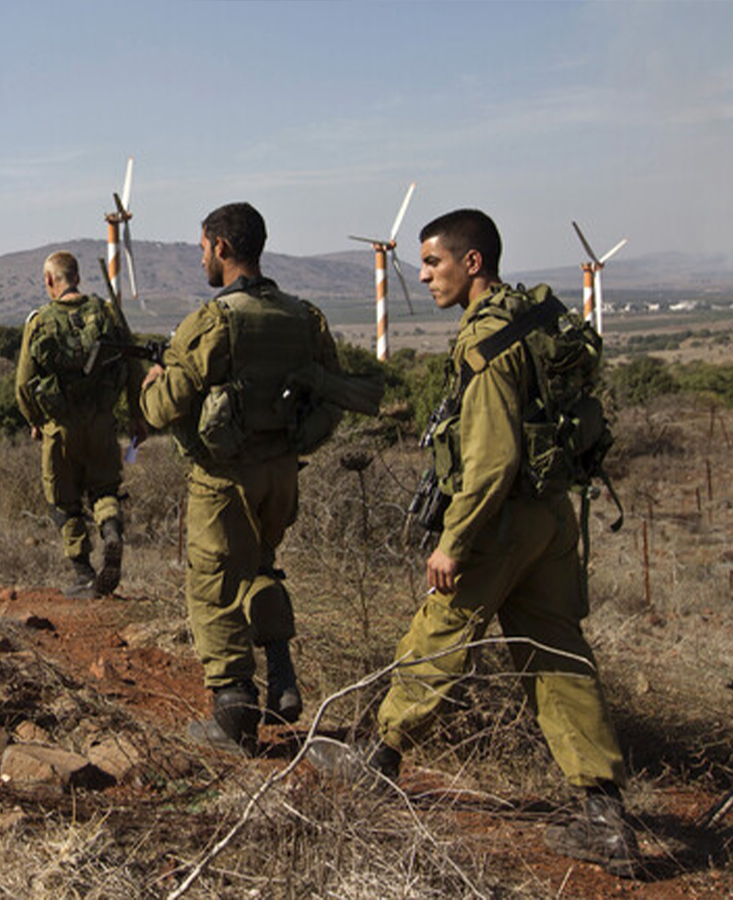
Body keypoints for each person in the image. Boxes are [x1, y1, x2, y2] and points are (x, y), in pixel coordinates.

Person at [314, 208, 641, 877]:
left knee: (440, 632)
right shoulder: (536, 318)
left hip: (498, 521)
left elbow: (492, 458)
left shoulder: (485, 341)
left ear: (472, 263)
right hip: (550, 516)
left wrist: (454, 542)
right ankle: (605, 815)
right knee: (557, 656)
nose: (424, 275)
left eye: (432, 262)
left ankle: (376, 757)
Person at [140, 202, 344, 755]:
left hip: (223, 480)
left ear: (222, 248)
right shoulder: (304, 315)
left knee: (214, 585)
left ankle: (232, 713)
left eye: (203, 248)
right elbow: (333, 393)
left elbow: (164, 408)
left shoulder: (213, 321)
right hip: (281, 474)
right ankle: (280, 676)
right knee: (261, 566)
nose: (202, 258)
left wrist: (152, 380)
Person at [15, 251, 143, 598]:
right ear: (77, 276)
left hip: (60, 430)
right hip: (102, 424)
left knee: (64, 503)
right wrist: (137, 414)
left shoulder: (40, 321)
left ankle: (84, 573)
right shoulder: (107, 312)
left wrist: (36, 421)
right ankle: (111, 533)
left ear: (49, 280)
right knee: (104, 491)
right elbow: (133, 366)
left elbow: (24, 384)